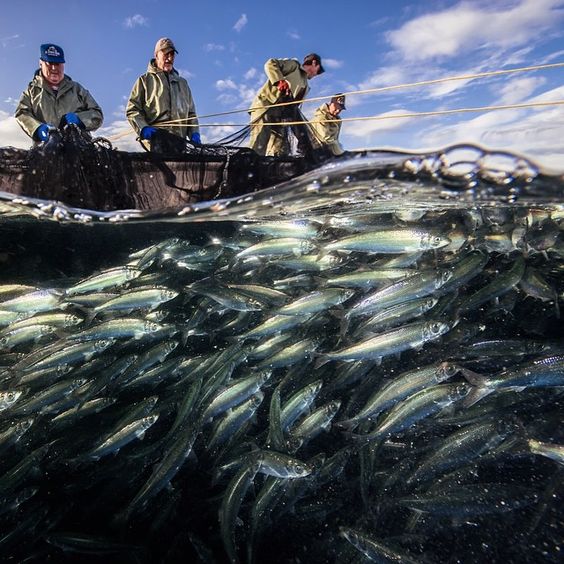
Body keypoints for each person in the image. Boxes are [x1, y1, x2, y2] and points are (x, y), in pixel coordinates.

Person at [15, 43, 103, 143]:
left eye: (58, 64)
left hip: (80, 149)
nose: (54, 68)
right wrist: (37, 128)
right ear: (41, 63)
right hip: (45, 151)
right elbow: (21, 113)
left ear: (63, 64)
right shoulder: (31, 92)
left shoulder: (77, 89)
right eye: (50, 63)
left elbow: (97, 114)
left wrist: (80, 119)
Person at [126, 38, 200, 150]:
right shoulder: (144, 81)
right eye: (166, 54)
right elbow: (132, 110)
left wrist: (195, 133)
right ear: (156, 55)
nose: (169, 58)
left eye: (172, 54)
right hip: (154, 145)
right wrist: (143, 128)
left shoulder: (183, 84)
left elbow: (191, 114)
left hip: (180, 145)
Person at [249, 53, 324, 156]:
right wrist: (280, 81)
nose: (317, 74)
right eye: (318, 70)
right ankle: (247, 170)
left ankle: (273, 170)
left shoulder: (306, 86)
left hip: (281, 118)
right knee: (259, 145)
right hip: (265, 107)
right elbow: (270, 63)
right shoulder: (294, 66)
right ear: (314, 63)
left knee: (281, 150)